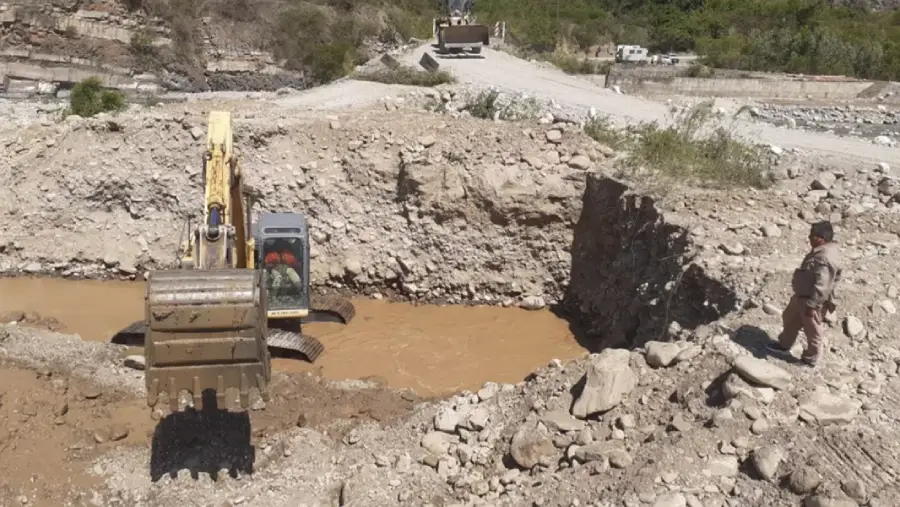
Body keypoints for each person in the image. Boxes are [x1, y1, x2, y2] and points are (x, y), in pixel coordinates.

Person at [767, 221, 842, 366]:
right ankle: (784, 344)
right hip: (802, 297)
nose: (809, 238)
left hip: (811, 300)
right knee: (790, 318)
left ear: (821, 237)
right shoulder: (822, 250)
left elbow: (823, 284)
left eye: (812, 235)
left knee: (813, 330)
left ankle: (810, 359)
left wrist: (812, 304)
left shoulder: (824, 257)